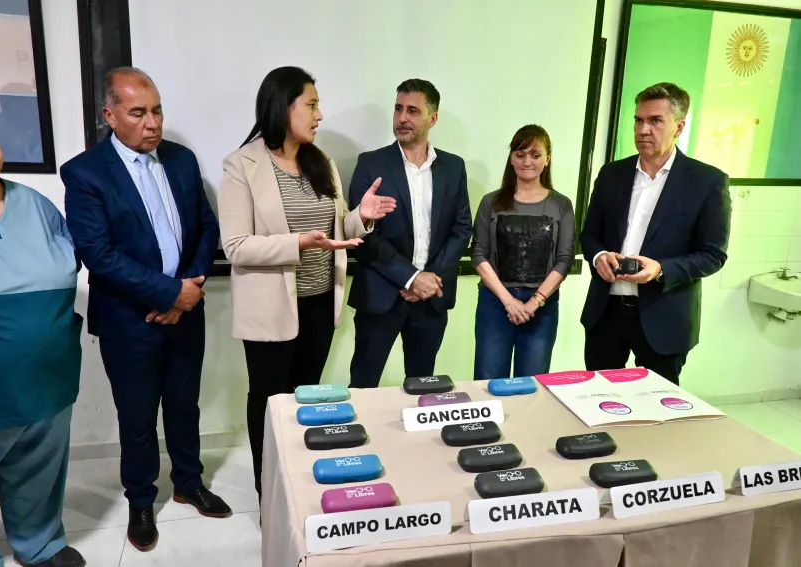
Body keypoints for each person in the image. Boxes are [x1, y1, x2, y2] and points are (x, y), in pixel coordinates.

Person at [60, 67, 227, 552]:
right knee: (137, 418)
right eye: (138, 113)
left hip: (186, 310)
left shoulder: (181, 160)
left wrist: (187, 289)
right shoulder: (85, 173)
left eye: (157, 111)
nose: (152, 123)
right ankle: (140, 500)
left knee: (184, 405)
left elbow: (206, 227)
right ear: (110, 116)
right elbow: (99, 254)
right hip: (129, 320)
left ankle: (189, 482)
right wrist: (167, 293)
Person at [218, 66, 396, 499]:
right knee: (269, 401)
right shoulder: (242, 165)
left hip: (318, 304)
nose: (319, 115)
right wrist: (298, 242)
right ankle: (269, 492)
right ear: (283, 106)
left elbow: (334, 230)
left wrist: (361, 217)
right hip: (271, 310)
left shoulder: (321, 161)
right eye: (311, 105)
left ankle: (298, 485)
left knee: (304, 400)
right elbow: (236, 246)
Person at [0, 101, 84, 567]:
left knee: (39, 469)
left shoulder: (35, 204)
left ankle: (41, 544)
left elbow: (69, 261)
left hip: (48, 380)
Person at [580, 82, 731, 385]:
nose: (643, 129)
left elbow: (713, 255)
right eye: (639, 120)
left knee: (656, 405)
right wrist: (598, 256)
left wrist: (660, 269)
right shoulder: (611, 174)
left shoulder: (707, 182)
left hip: (665, 318)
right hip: (606, 313)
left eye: (655, 121)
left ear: (679, 127)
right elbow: (589, 235)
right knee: (598, 398)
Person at [347, 79, 472, 388]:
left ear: (433, 118)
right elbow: (363, 236)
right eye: (398, 109)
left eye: (412, 111)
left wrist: (429, 280)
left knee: (422, 387)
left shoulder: (453, 167)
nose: (402, 118)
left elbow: (461, 228)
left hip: (431, 298)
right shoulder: (371, 164)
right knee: (363, 385)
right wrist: (412, 278)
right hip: (381, 295)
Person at [471, 125, 575, 379]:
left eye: (535, 155)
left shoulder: (561, 204)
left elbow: (564, 260)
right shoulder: (491, 202)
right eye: (520, 154)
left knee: (533, 385)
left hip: (542, 307)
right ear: (511, 158)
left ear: (547, 159)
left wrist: (534, 302)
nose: (527, 162)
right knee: (488, 381)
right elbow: (479, 253)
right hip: (495, 303)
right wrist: (509, 301)